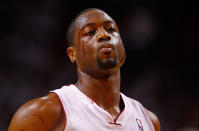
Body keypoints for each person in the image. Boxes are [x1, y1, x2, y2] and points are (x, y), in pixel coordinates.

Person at [8, 8, 160, 131]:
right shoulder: (42, 114)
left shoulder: (149, 121)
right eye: (90, 32)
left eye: (111, 29)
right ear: (72, 54)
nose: (104, 35)